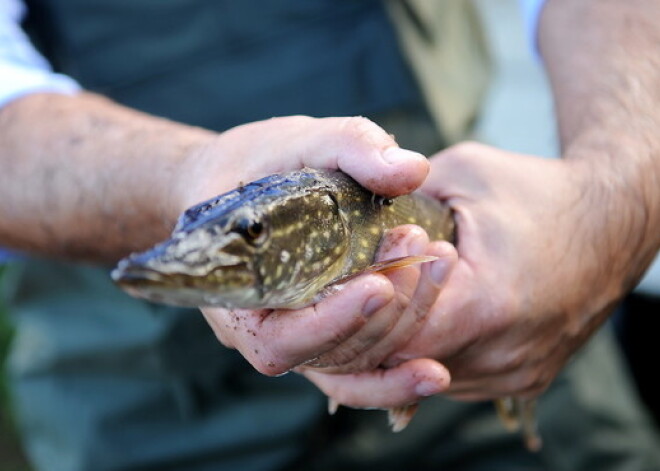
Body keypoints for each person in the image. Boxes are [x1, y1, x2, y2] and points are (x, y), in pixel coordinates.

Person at [0, 0, 659, 470]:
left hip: (497, 309)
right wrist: (188, 180)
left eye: (253, 233)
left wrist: (613, 200)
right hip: (148, 405)